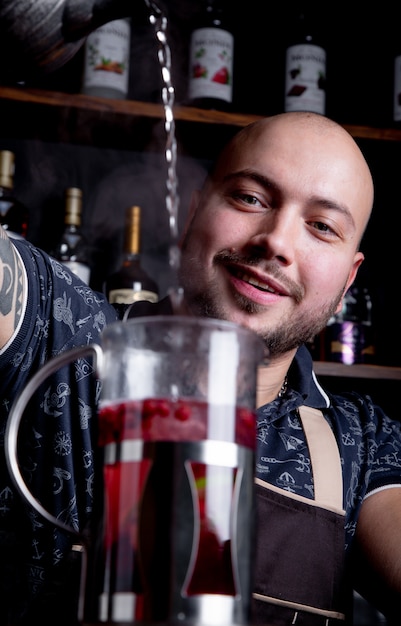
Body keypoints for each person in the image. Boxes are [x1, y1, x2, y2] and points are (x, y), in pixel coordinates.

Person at [1, 111, 401, 625]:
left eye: (322, 226)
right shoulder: (65, 330)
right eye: (250, 198)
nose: (276, 242)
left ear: (349, 280)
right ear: (192, 214)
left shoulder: (362, 446)